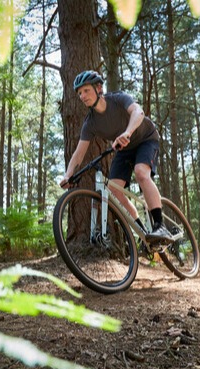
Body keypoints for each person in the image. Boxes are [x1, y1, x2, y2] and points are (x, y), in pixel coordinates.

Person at [59, 70, 173, 243]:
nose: (82, 96)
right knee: (113, 189)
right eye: (79, 93)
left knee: (141, 172)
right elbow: (78, 153)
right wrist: (68, 175)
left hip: (145, 139)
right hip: (124, 149)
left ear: (98, 88)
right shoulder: (90, 123)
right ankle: (143, 233)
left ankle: (160, 225)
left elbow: (138, 112)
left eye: (86, 90)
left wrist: (127, 132)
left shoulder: (118, 99)